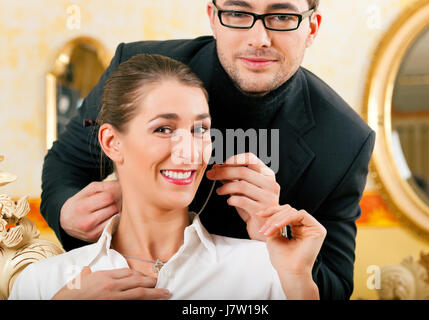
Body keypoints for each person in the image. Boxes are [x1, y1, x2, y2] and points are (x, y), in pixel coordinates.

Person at [40, 0, 375, 299]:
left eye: (283, 16)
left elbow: (335, 285)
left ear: (311, 27)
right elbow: (66, 164)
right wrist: (66, 213)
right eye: (238, 12)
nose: (259, 39)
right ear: (213, 17)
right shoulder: (140, 68)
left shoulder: (345, 141)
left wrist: (279, 238)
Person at [9, 54, 326, 300]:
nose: (189, 152)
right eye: (163, 129)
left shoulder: (264, 269)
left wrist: (298, 280)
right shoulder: (43, 282)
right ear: (112, 142)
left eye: (200, 129)